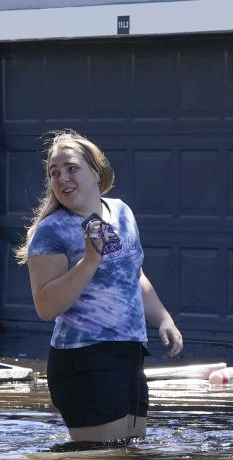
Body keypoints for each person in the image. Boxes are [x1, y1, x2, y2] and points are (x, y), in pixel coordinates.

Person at [15, 129, 183, 443]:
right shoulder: (51, 232)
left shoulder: (120, 212)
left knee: (129, 456)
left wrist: (163, 319)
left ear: (95, 171)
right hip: (84, 360)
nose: (62, 178)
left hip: (129, 354)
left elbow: (131, 275)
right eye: (54, 173)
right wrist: (89, 261)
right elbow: (46, 306)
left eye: (71, 168)